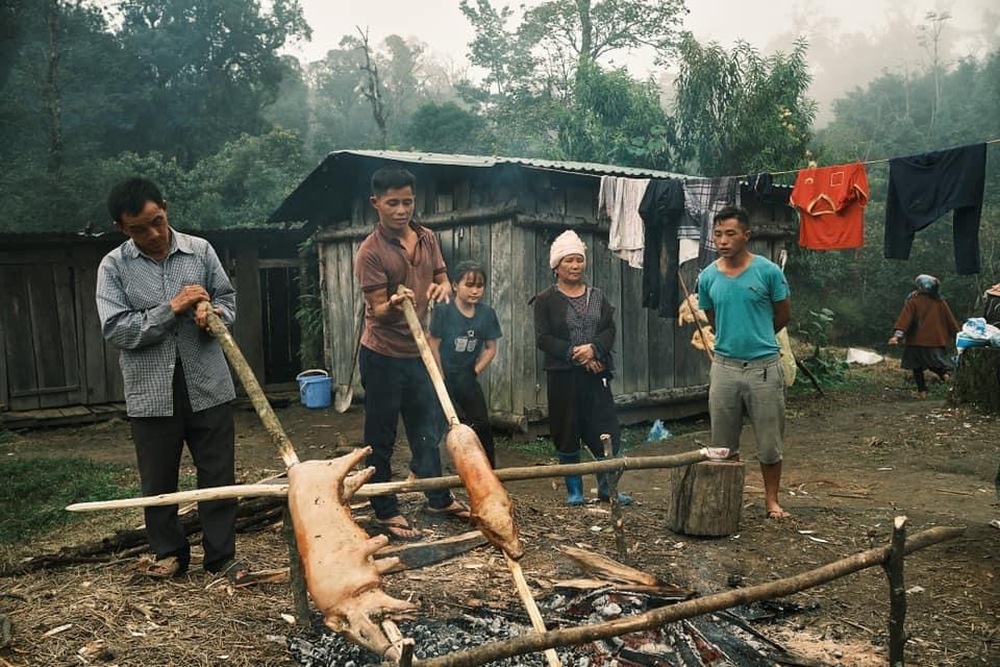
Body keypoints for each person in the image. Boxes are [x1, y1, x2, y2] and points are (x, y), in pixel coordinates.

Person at [96, 177, 245, 580]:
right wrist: (173, 308)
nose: (153, 234)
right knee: (159, 478)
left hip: (208, 383)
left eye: (157, 221)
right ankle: (169, 553)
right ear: (121, 228)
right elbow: (117, 330)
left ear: (165, 208)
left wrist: (212, 314)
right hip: (150, 391)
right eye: (138, 229)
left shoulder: (200, 252)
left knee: (218, 475)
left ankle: (221, 557)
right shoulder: (113, 267)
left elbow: (228, 300)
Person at [354, 167, 469, 540]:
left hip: (418, 353)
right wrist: (394, 300)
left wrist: (442, 290)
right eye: (393, 203)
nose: (401, 210)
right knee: (381, 434)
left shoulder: (427, 237)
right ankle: (384, 509)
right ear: (376, 204)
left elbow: (442, 279)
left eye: (407, 201)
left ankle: (437, 497)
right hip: (383, 353)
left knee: (426, 428)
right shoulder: (369, 252)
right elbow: (378, 310)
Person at [698, 206, 792, 519]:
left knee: (769, 442)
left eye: (730, 234)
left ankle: (771, 501)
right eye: (718, 234)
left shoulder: (768, 272)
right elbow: (712, 318)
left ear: (746, 235)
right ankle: (729, 502)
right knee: (723, 445)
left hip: (764, 367)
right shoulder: (708, 276)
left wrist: (757, 336)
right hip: (724, 367)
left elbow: (782, 315)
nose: (723, 241)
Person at [532, 230, 632, 506]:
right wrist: (575, 353)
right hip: (563, 376)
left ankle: (606, 488)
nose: (575, 266)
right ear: (556, 266)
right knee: (567, 428)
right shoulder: (545, 300)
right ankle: (574, 490)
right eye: (568, 261)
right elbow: (543, 338)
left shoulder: (597, 297)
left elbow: (609, 329)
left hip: (595, 373)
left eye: (579, 260)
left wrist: (594, 349)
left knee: (605, 427)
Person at [429, 260, 502, 468]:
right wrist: (440, 377)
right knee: (435, 426)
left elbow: (491, 348)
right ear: (454, 286)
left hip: (467, 377)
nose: (475, 291)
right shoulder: (444, 311)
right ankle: (424, 472)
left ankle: (489, 471)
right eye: (469, 285)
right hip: (442, 376)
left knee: (481, 424)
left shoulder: (486, 314)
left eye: (479, 286)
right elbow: (433, 345)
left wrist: (475, 371)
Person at [887, 274, 960, 399]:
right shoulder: (940, 302)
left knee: (917, 367)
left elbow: (905, 320)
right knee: (934, 364)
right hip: (936, 340)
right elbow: (950, 321)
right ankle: (945, 376)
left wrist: (897, 336)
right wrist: (958, 336)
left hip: (916, 341)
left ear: (919, 286)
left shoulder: (913, 301)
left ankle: (922, 392)